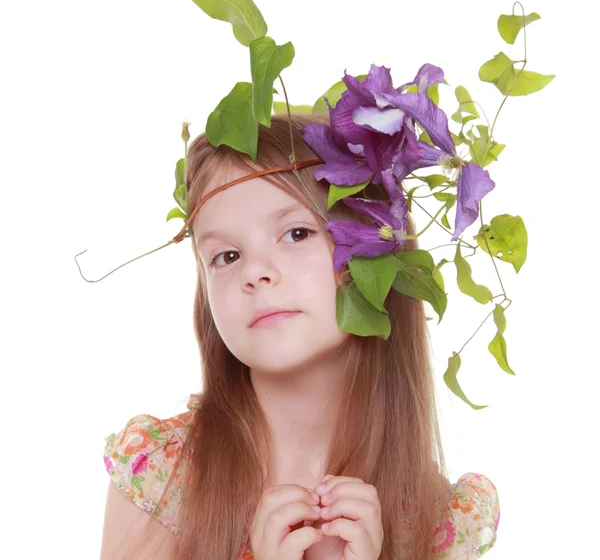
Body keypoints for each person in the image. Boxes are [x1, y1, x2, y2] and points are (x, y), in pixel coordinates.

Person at [99, 114, 500, 560]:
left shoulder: (438, 521)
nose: (255, 272)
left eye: (296, 233)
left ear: (377, 258)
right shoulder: (161, 478)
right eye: (227, 255)